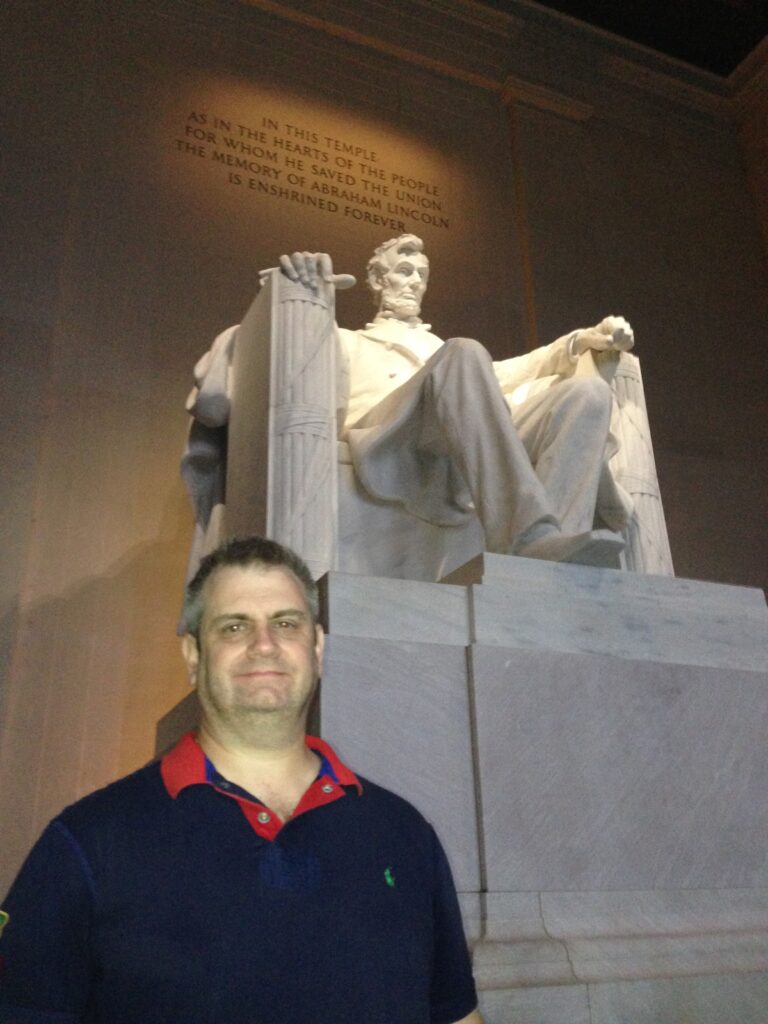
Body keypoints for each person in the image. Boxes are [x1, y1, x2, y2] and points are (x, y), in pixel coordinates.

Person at [0, 536, 483, 1024]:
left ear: (317, 648)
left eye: (286, 623)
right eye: (234, 627)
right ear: (193, 656)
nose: (264, 644)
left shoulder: (404, 832)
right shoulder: (85, 843)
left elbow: (456, 1016)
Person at [185, 235, 635, 575]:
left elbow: (514, 372)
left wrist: (580, 342)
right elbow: (271, 353)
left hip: (449, 434)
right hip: (388, 437)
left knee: (587, 394)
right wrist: (296, 287)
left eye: (421, 274)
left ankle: (551, 559)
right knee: (464, 353)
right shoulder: (349, 340)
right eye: (403, 270)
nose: (415, 281)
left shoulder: (451, 356)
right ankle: (529, 536)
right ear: (378, 280)